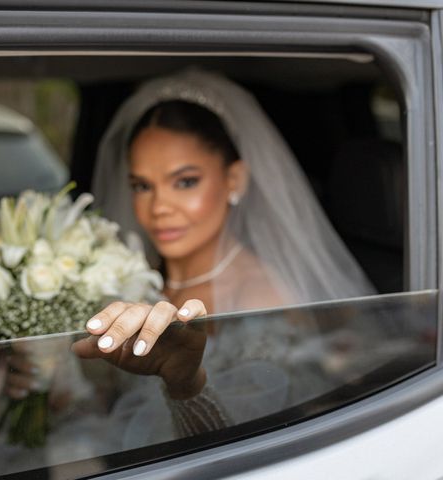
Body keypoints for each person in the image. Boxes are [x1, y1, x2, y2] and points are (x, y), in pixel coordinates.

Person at [71, 68, 374, 412]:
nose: (159, 207)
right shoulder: (131, 274)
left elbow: (252, 438)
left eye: (184, 182)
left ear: (234, 180)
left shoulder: (261, 300)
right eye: (142, 186)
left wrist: (186, 385)